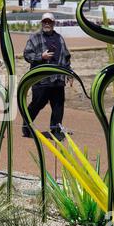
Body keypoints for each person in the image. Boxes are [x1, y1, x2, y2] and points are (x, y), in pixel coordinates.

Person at [22, 12, 72, 141]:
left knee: (58, 105)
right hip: (41, 80)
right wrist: (41, 57)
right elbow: (27, 55)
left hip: (58, 79)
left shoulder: (60, 38)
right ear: (41, 23)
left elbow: (66, 57)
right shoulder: (35, 37)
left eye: (50, 22)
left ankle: (55, 129)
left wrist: (69, 72)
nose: (47, 24)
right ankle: (26, 126)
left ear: (54, 23)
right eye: (45, 22)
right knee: (38, 104)